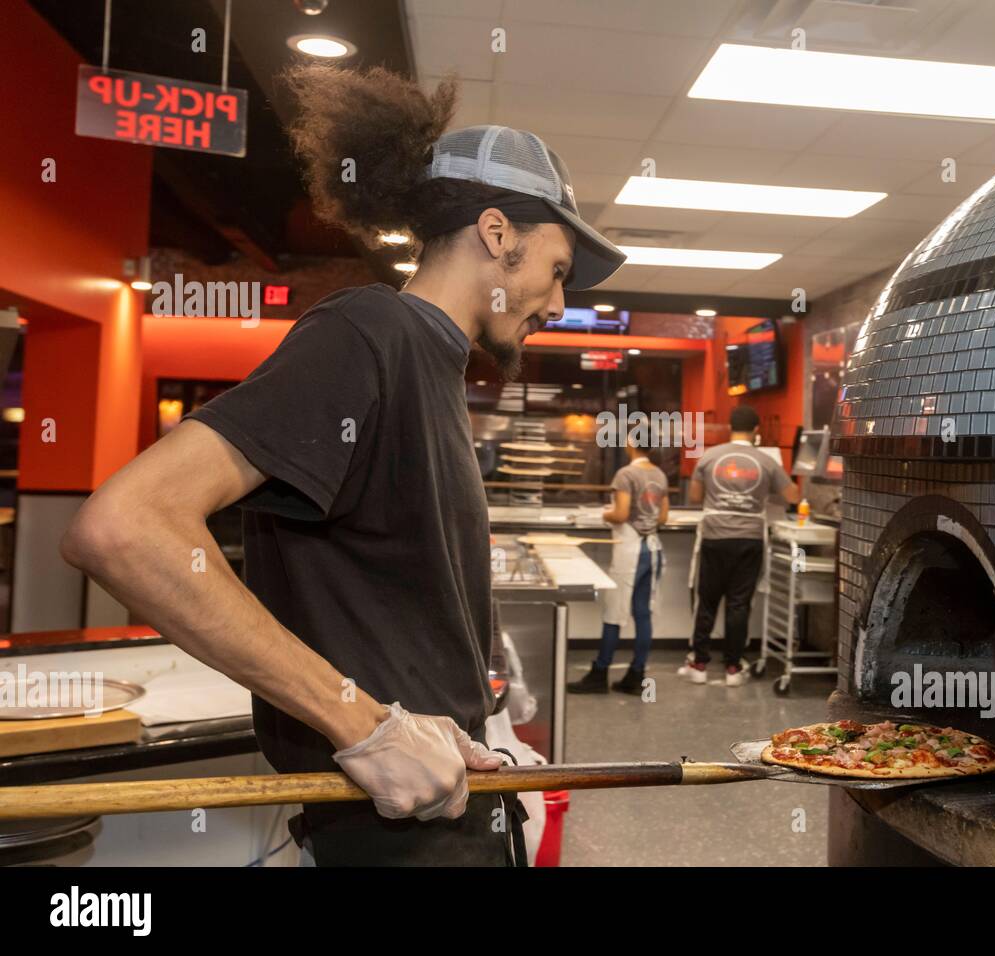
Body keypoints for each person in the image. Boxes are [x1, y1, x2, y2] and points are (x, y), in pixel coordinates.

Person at [58, 64, 624, 866]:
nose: (559, 301)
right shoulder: (370, 331)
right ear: (498, 235)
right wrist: (367, 723)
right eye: (558, 268)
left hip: (453, 810)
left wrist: (475, 704)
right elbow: (122, 528)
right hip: (392, 836)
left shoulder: (432, 366)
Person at [681, 406, 799, 686]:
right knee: (739, 603)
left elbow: (696, 496)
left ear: (729, 427)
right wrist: (764, 493)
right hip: (750, 539)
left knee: (706, 601)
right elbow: (793, 494)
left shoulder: (710, 456)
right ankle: (733, 668)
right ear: (756, 430)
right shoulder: (766, 461)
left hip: (714, 536)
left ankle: (699, 665)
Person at [567, 438, 668, 695]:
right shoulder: (659, 474)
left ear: (631, 444)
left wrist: (603, 513)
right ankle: (637, 675)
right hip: (653, 549)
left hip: (630, 550)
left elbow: (621, 514)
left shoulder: (626, 474)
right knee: (643, 614)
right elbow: (663, 517)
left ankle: (599, 674)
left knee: (614, 613)